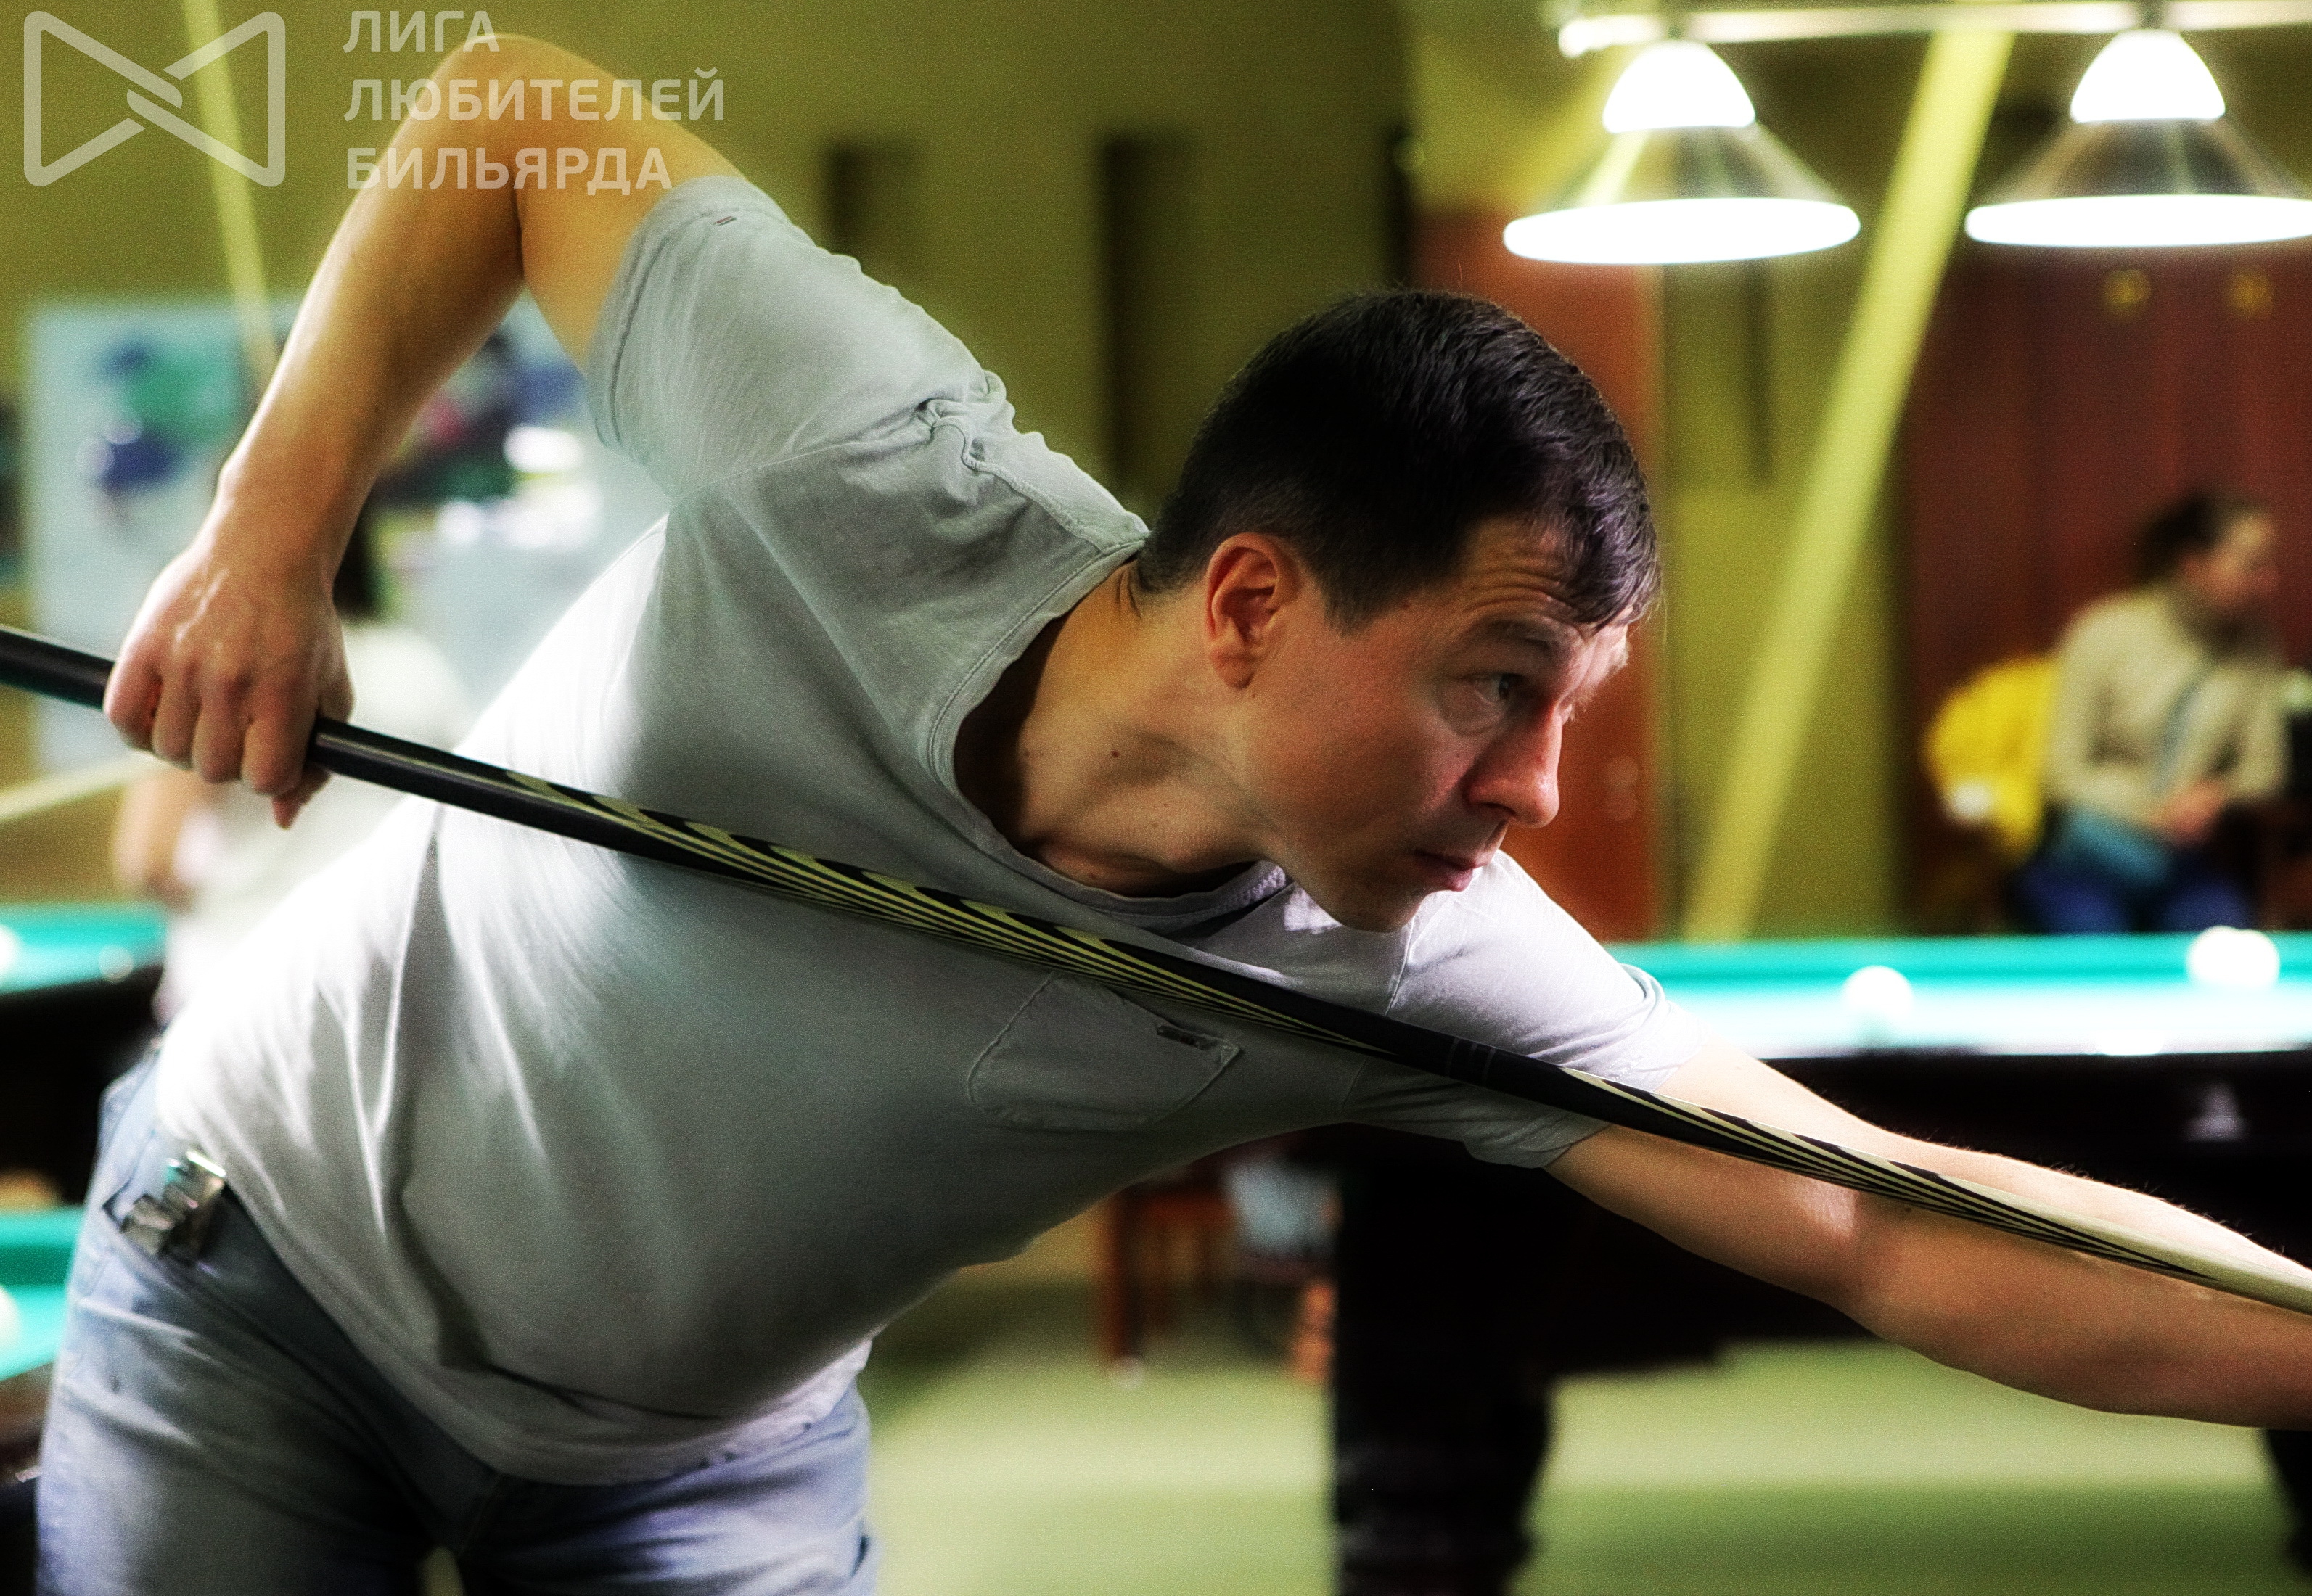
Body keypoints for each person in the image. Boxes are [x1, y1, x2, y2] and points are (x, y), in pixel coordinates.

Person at [46, 33, 2312, 1591]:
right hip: (263, 1277)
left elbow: (1880, 1222)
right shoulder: (866, 460)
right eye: (1494, 690)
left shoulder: (1408, 949)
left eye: (1568, 710)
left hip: (694, 1456)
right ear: (1248, 604)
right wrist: (269, 536)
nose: (1533, 790)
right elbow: (509, 114)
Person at [111, 509, 470, 1019]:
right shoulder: (422, 667)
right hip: (384, 988)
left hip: (235, 984)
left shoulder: (219, 664)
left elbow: (147, 861)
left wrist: (232, 905)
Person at [2015, 492, 2287, 935]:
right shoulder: (2104, 633)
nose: (2268, 582)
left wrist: (2215, 795)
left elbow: (2265, 770)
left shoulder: (2256, 647)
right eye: (2252, 565)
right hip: (2089, 855)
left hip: (2180, 862)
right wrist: (2149, 813)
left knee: (2221, 931)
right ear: (2194, 565)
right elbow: (2062, 774)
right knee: (2093, 935)